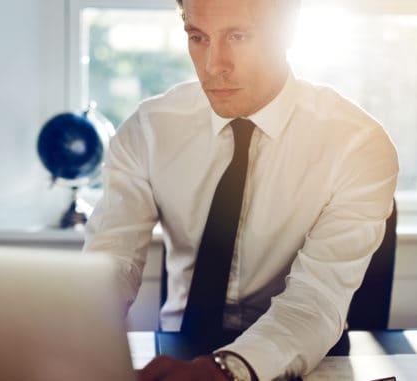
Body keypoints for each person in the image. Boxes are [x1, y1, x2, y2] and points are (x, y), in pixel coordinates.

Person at [83, 0, 399, 379]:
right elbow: (110, 263)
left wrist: (225, 370)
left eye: (238, 35)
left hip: (306, 361)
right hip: (179, 351)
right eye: (197, 37)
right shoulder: (148, 131)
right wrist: (79, 333)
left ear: (289, 29)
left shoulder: (357, 145)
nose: (214, 65)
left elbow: (314, 303)